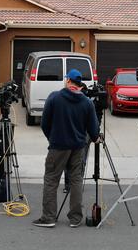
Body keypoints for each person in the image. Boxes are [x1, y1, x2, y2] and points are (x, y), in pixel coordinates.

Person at [33, 69, 100, 228]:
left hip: (58, 146)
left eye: (66, 79)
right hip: (78, 147)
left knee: (51, 180)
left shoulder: (55, 97)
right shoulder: (86, 103)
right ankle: (75, 218)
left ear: (69, 81)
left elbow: (44, 123)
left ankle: (48, 217)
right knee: (76, 180)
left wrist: (52, 138)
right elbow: (94, 130)